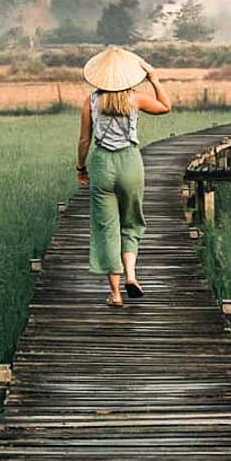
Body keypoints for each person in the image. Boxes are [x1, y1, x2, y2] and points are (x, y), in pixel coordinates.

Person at [76, 45, 171, 306]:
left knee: (107, 227)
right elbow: (166, 106)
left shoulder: (91, 101)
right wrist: (154, 78)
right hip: (130, 162)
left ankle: (116, 293)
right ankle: (131, 274)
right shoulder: (135, 98)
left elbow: (85, 140)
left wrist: (80, 168)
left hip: (101, 164)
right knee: (131, 222)